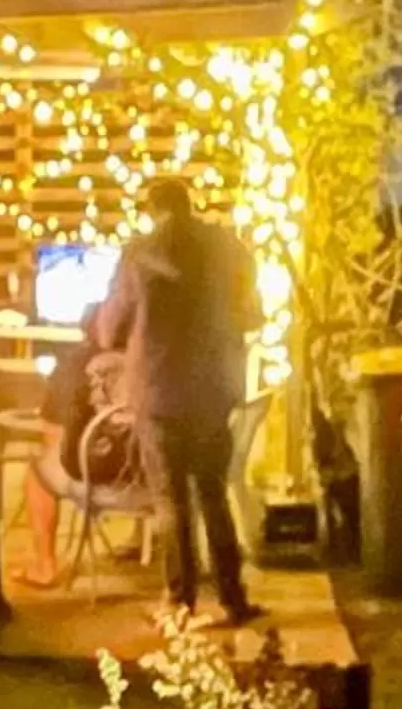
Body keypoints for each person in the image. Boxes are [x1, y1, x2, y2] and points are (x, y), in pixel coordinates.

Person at [92, 177, 260, 624]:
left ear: (151, 209)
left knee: (170, 501)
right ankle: (233, 598)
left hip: (160, 389)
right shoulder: (228, 247)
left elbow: (109, 329)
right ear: (190, 204)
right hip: (213, 388)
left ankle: (179, 600)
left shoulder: (138, 253)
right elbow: (253, 312)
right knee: (213, 495)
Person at [14, 341, 134, 588]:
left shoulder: (77, 364)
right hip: (159, 484)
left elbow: (55, 439)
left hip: (100, 484)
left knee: (38, 475)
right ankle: (153, 539)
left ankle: (44, 566)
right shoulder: (157, 358)